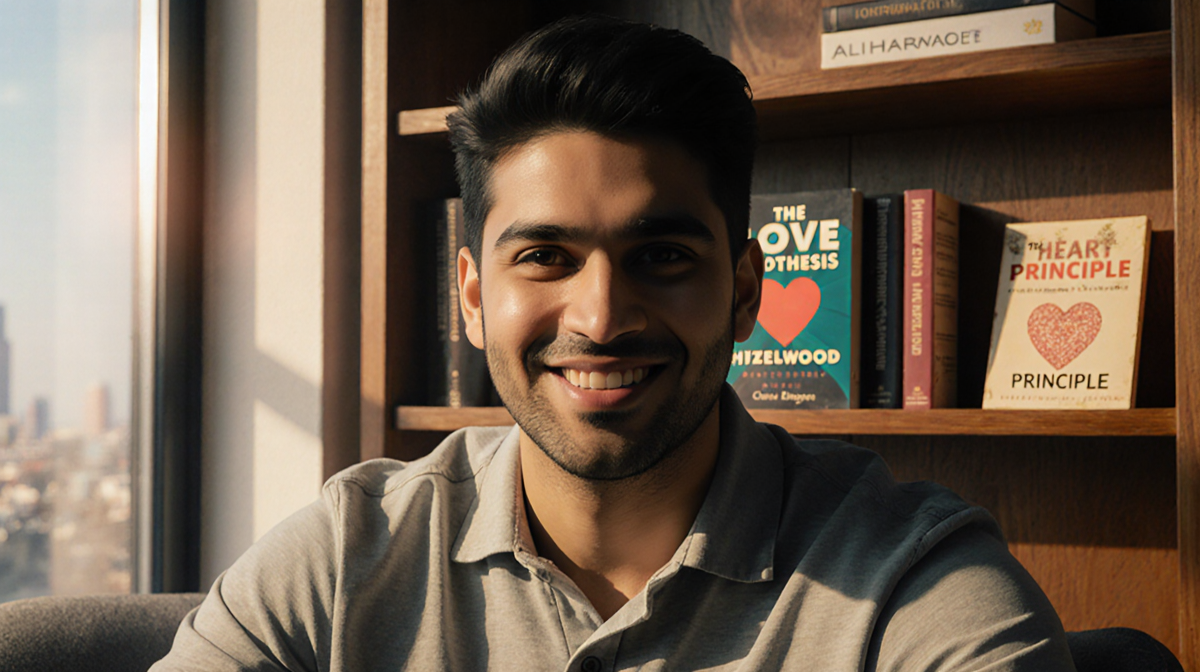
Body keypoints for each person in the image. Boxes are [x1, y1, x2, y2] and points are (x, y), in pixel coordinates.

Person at [153, 15, 1074, 671]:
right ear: (472, 297)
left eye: (662, 255)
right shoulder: (348, 555)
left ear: (745, 291)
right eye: (546, 256)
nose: (600, 317)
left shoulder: (912, 579)